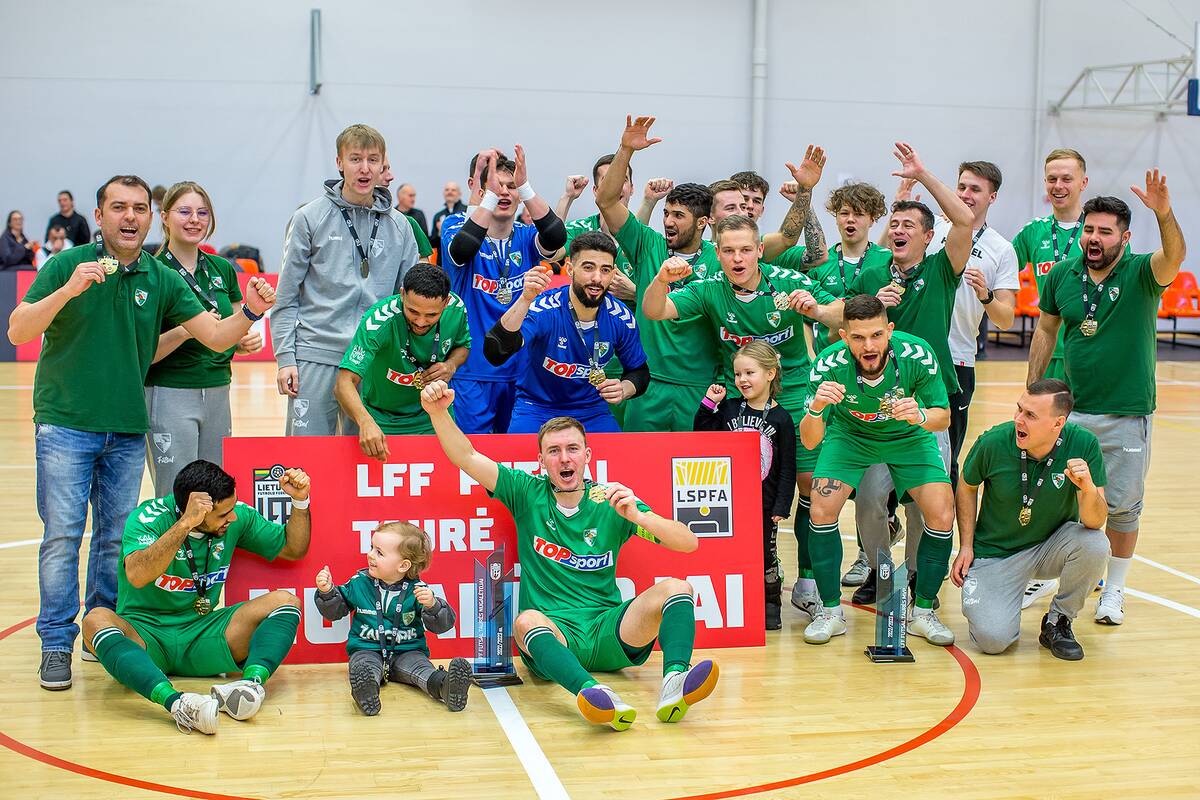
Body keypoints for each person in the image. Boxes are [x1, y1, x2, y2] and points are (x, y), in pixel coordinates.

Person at [8, 174, 276, 691]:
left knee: (112, 540)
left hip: (128, 428)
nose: (130, 217)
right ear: (101, 214)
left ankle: (97, 631)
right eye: (118, 208)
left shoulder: (161, 277)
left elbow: (217, 337)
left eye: (138, 209)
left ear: (150, 218)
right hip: (65, 424)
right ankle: (56, 643)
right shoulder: (68, 264)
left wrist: (251, 311)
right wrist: (69, 289)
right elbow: (18, 329)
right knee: (62, 538)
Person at [423, 387, 718, 729]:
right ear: (541, 461)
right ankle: (594, 693)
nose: (564, 458)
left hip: (610, 631)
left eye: (572, 449)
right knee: (524, 621)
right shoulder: (526, 492)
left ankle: (674, 683)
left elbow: (688, 544)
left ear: (587, 455)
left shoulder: (611, 500)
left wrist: (640, 517)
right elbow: (467, 457)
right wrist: (438, 412)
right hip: (554, 635)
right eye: (554, 451)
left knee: (676, 587)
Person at [642, 213, 842, 621]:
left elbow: (844, 314)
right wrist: (662, 278)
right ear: (718, 253)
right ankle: (741, 578)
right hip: (737, 399)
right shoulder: (709, 289)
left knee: (807, 485)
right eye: (729, 250)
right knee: (733, 495)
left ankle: (806, 582)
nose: (737, 258)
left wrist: (818, 310)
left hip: (793, 396)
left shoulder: (786, 283)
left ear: (758, 252)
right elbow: (654, 311)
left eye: (746, 250)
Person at [1028, 174, 1186, 626]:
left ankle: (1113, 589)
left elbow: (1174, 255)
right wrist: (1033, 392)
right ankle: (1049, 573)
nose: (1094, 239)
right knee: (1056, 500)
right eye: (1089, 230)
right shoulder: (1062, 275)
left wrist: (1163, 211)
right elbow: (1045, 330)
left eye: (1105, 231)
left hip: (1127, 411)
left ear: (1125, 237)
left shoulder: (1141, 272)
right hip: (1071, 411)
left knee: (1121, 505)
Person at [79, 460, 311, 734]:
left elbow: (292, 548)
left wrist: (300, 502)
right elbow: (138, 574)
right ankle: (177, 704)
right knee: (95, 620)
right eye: (223, 514)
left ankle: (249, 687)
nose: (232, 518)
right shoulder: (148, 518)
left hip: (202, 632)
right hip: (145, 635)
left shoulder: (237, 517)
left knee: (286, 601)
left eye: (231, 509)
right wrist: (185, 525)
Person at [843, 143, 974, 604]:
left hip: (927, 405)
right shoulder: (874, 273)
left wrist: (923, 175)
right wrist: (876, 306)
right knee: (869, 499)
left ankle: (919, 577)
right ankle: (879, 572)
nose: (898, 230)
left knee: (925, 500)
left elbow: (965, 221)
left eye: (908, 226)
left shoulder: (942, 269)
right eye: (893, 224)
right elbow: (848, 324)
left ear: (927, 236)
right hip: (875, 407)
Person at [800, 294, 955, 646]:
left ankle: (924, 611)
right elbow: (810, 442)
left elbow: (942, 416)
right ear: (844, 337)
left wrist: (918, 415)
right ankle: (829, 613)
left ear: (889, 331)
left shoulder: (917, 354)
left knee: (941, 512)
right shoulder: (828, 365)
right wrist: (817, 407)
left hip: (908, 435)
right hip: (850, 436)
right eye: (857, 338)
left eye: (875, 336)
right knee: (821, 507)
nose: (868, 346)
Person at [273, 124, 420, 437]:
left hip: (372, 361)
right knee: (306, 462)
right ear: (339, 162)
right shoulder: (309, 218)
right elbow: (286, 298)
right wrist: (286, 357)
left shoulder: (400, 226)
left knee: (363, 466)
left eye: (372, 159)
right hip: (315, 355)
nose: (364, 169)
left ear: (383, 165)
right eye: (355, 159)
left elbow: (407, 302)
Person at [952, 381, 1109, 660]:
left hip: (1050, 546)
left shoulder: (1083, 444)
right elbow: (966, 486)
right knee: (993, 640)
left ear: (1057, 423)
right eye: (1019, 409)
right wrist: (966, 545)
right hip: (997, 553)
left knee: (1096, 544)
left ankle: (1058, 621)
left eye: (1030, 415)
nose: (1018, 420)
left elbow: (1095, 522)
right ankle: (1007, 592)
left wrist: (1086, 488)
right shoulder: (994, 442)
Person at [594, 116, 721, 432]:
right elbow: (606, 200)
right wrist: (626, 150)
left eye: (679, 215)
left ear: (702, 223)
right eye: (666, 213)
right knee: (641, 473)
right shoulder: (647, 245)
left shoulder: (721, 259)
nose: (668, 221)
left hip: (699, 387)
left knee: (693, 477)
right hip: (648, 383)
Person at [802, 181, 895, 592]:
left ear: (874, 219)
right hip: (832, 379)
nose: (850, 219)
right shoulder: (820, 263)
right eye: (843, 212)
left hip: (874, 380)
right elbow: (819, 318)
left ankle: (867, 551)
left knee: (872, 482)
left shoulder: (886, 260)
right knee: (833, 475)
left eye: (859, 213)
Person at [145, 181, 263, 496]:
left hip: (218, 389)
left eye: (202, 212)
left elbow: (239, 325)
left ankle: (208, 548)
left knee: (216, 490)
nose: (194, 219)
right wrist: (187, 330)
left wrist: (245, 341)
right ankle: (172, 547)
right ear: (165, 216)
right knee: (174, 492)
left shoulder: (222, 268)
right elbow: (145, 353)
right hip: (170, 390)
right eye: (184, 211)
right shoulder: (153, 273)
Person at [440, 147, 567, 433]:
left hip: (521, 372)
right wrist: (491, 196)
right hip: (472, 372)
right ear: (484, 192)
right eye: (497, 187)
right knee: (475, 458)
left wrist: (525, 187)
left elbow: (557, 237)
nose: (504, 193)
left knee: (517, 460)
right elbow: (463, 249)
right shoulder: (455, 227)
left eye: (511, 187)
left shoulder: (526, 236)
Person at [484, 231, 649, 433]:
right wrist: (525, 299)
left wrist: (625, 389)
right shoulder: (545, 309)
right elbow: (496, 352)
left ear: (613, 274)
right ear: (570, 269)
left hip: (591, 410)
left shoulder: (621, 318)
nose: (597, 278)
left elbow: (639, 372)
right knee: (518, 460)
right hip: (536, 407)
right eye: (588, 268)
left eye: (605, 270)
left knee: (618, 460)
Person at [315, 522, 471, 714]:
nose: (371, 554)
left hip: (408, 651)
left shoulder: (418, 590)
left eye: (379, 552)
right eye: (371, 547)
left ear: (403, 565)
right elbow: (334, 612)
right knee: (364, 667)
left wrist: (433, 606)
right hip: (367, 648)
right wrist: (327, 592)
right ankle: (365, 692)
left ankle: (446, 686)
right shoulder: (359, 583)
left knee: (422, 670)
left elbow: (442, 626)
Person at [926, 161, 1019, 485]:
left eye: (975, 190)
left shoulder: (1002, 249)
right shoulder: (930, 229)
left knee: (946, 457)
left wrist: (986, 295)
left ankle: (940, 535)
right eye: (962, 187)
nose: (966, 195)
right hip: (914, 355)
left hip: (957, 359)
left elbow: (1006, 319)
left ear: (992, 197)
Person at [694, 342, 795, 630]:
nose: (742, 380)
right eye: (738, 374)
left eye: (750, 373)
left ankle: (770, 602)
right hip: (730, 501)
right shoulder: (727, 409)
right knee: (730, 552)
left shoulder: (782, 419)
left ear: (771, 374)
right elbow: (702, 436)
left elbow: (787, 466)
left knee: (765, 553)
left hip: (764, 503)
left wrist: (781, 505)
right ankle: (733, 602)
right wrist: (708, 405)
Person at [335, 262, 470, 456]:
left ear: (446, 302)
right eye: (413, 311)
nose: (421, 321)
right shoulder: (377, 320)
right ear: (402, 294)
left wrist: (451, 365)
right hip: (382, 420)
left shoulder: (457, 310)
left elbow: (463, 346)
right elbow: (343, 383)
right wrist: (365, 422)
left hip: (434, 415)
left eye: (431, 315)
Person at [1013, 148, 1089, 383]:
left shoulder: (1102, 232)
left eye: (1067, 179)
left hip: (1091, 350)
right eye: (1052, 179)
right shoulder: (1033, 232)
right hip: (1048, 351)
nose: (1058, 186)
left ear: (1083, 183)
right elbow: (997, 269)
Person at [381, 162, 433, 258]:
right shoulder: (391, 217)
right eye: (410, 196)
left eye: (414, 196)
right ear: (400, 196)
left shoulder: (415, 217)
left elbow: (425, 243)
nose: (413, 199)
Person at [430, 181, 467, 256]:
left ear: (459, 194)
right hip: (443, 259)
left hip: (462, 256)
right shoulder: (438, 216)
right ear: (443, 193)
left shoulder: (466, 212)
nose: (450, 192)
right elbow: (433, 244)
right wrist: (439, 233)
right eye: (447, 190)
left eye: (453, 190)